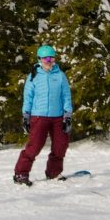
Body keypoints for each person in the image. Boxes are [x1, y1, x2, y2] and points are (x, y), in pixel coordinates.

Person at [13, 45, 73, 186]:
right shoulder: (33, 76)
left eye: (52, 57)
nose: (49, 60)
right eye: (46, 58)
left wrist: (67, 115)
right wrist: (26, 115)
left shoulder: (60, 75)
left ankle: (54, 172)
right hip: (38, 116)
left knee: (60, 146)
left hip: (58, 116)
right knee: (34, 146)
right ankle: (21, 173)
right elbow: (28, 97)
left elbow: (66, 96)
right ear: (40, 59)